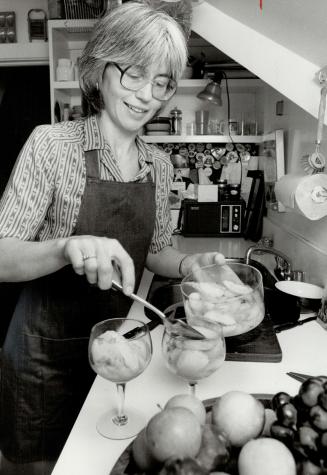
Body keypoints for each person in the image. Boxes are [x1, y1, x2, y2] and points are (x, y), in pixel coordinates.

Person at [0, 2, 225, 473]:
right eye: (133, 74)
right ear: (101, 67)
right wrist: (66, 247)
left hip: (121, 350)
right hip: (45, 357)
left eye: (161, 82)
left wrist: (188, 264)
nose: (147, 95)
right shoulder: (51, 146)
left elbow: (157, 250)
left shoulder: (158, 166)